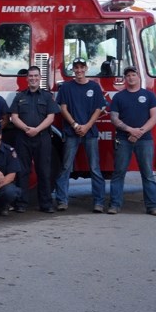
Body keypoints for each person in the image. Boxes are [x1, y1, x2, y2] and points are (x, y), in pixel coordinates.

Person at [54, 59, 107, 212]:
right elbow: (63, 108)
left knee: (95, 168)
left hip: (90, 133)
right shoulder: (66, 87)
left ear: (86, 68)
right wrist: (75, 125)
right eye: (76, 68)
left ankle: (99, 202)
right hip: (72, 132)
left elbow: (99, 109)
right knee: (65, 167)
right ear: (73, 70)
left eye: (81, 67)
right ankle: (62, 201)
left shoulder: (94, 87)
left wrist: (87, 126)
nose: (79, 70)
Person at [109, 66, 156, 216]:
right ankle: (114, 205)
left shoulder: (150, 96)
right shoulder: (118, 97)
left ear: (139, 77)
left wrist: (138, 132)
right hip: (123, 139)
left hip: (144, 140)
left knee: (147, 174)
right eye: (128, 76)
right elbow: (114, 118)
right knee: (119, 173)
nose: (131, 78)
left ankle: (152, 206)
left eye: (133, 75)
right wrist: (130, 130)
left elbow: (154, 118)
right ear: (125, 79)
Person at [10, 66, 60, 213]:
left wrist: (37, 130)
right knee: (23, 171)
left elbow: (51, 117)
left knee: (44, 171)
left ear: (39, 78)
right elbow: (14, 117)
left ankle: (46, 204)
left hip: (42, 137)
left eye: (35, 76)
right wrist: (27, 129)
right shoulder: (19, 96)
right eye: (30, 76)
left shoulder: (46, 96)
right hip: (23, 138)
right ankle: (21, 203)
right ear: (26, 79)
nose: (33, 78)